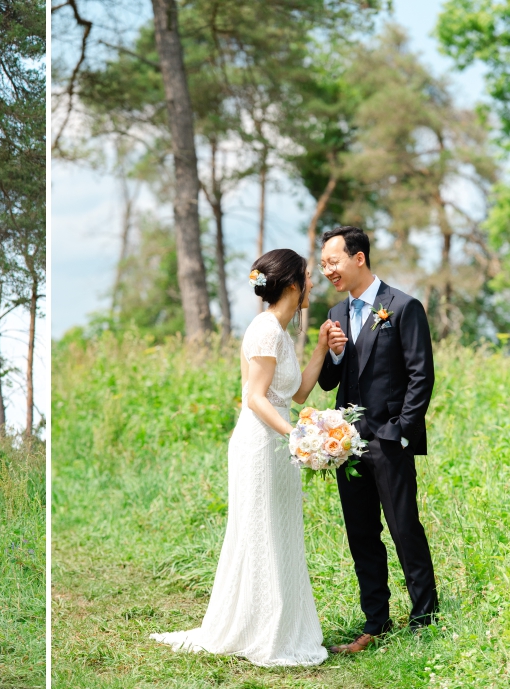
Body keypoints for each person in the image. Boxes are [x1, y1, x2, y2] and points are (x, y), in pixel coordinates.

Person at [151, 248, 336, 666]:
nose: (313, 283)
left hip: (279, 442)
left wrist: (321, 348)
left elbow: (296, 394)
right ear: (292, 284)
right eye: (308, 276)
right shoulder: (265, 331)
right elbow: (253, 398)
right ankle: (257, 630)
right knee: (260, 533)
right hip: (260, 444)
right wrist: (300, 435)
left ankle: (277, 623)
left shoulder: (283, 333)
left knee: (279, 531)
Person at [317, 225, 436, 654]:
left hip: (389, 442)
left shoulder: (403, 307)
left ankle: (425, 619)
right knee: (361, 534)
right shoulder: (334, 314)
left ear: (358, 258)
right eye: (323, 263)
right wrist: (332, 352)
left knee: (405, 528)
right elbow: (331, 382)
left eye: (333, 261)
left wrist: (400, 433)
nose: (326, 269)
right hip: (347, 446)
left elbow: (422, 376)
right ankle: (376, 623)